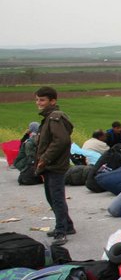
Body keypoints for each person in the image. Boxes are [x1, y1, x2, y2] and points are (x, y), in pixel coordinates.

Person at [34, 87, 75, 245]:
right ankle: (68, 225)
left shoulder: (54, 117)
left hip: (55, 165)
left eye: (42, 100)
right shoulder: (49, 117)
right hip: (50, 165)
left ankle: (61, 231)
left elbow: (61, 141)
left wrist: (45, 159)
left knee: (56, 198)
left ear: (53, 101)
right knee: (52, 197)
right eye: (37, 99)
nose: (39, 103)